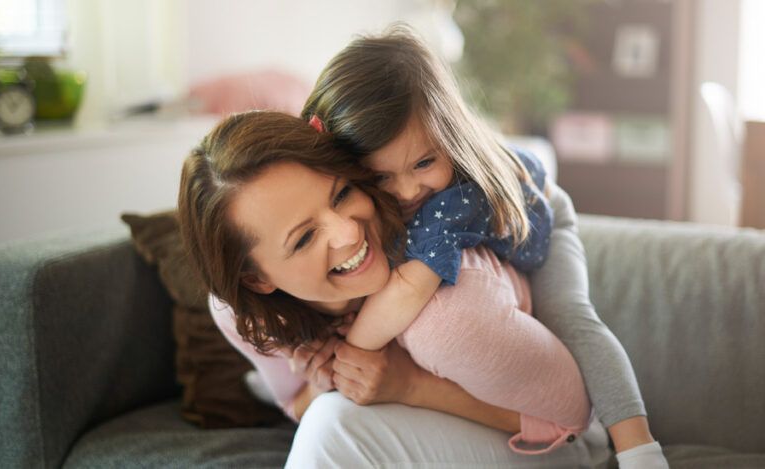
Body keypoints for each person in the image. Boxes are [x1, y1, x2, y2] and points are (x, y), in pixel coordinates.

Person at [300, 25, 668, 468]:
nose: (407, 189)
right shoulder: (387, 192)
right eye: (380, 177)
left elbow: (409, 289)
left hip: (541, 213)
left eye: (424, 162)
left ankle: (637, 445)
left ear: (450, 140)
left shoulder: (453, 197)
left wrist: (350, 353)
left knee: (571, 318)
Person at [178, 110, 610, 467]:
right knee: (327, 415)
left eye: (342, 193)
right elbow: (296, 404)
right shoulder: (245, 312)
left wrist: (409, 385)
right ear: (257, 279)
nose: (348, 233)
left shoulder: (445, 306)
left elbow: (573, 418)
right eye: (305, 238)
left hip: (556, 444)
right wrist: (324, 379)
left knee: (332, 428)